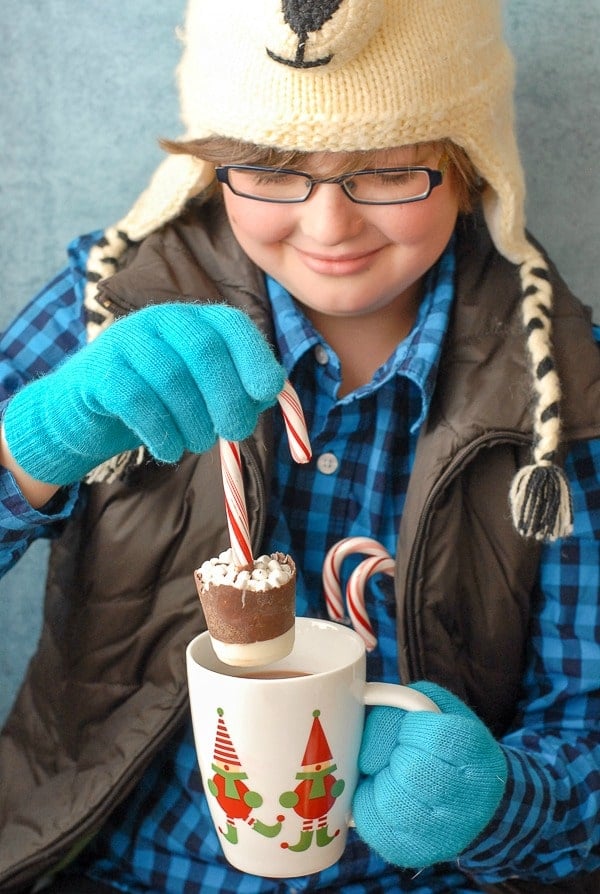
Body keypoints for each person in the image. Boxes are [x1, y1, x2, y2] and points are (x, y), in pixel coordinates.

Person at [0, 1, 598, 891]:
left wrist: (500, 795)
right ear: (213, 167)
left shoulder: (563, 391)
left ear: (470, 167)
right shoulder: (109, 304)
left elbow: (584, 727)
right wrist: (38, 443)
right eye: (271, 169)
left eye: (391, 169)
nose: (328, 228)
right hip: (124, 865)